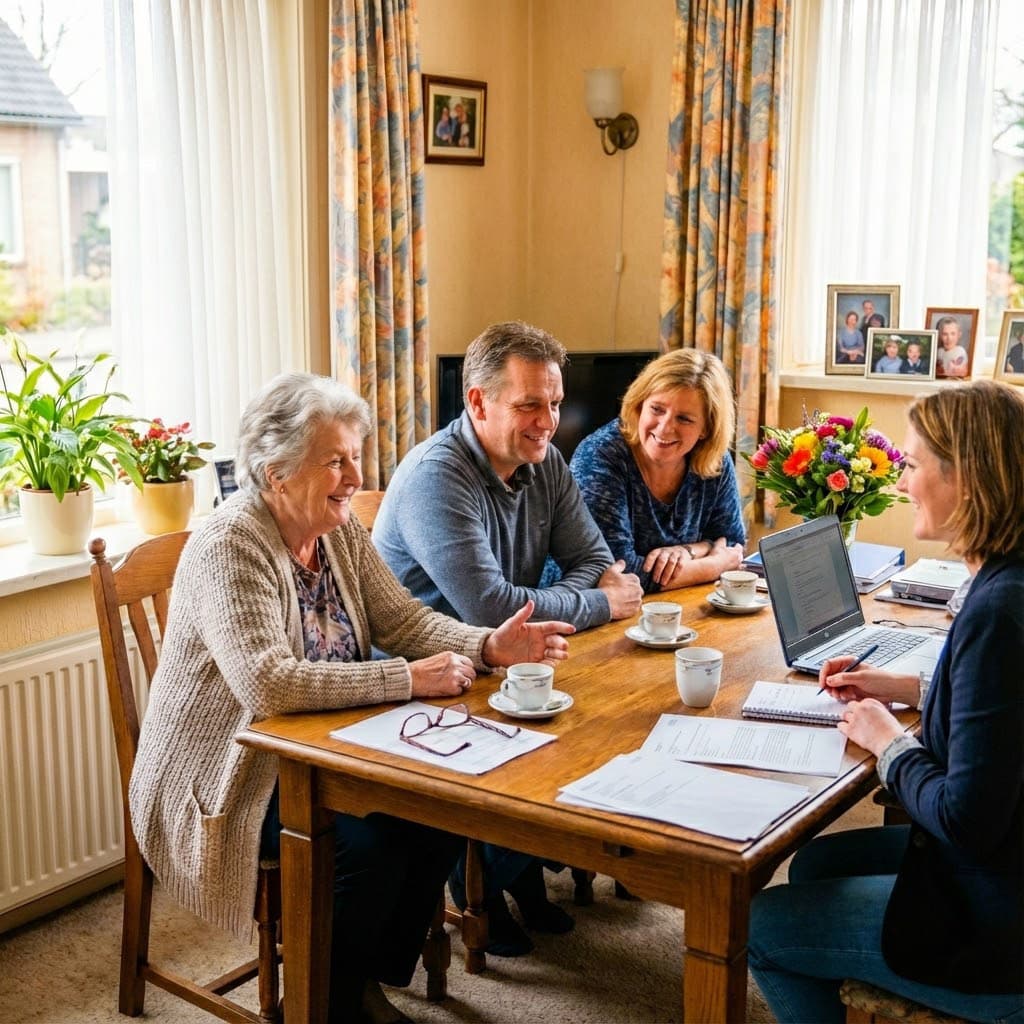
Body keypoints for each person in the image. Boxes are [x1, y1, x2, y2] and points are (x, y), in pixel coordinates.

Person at [129, 372, 573, 1024]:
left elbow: (405, 623)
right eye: (335, 460)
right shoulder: (231, 543)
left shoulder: (337, 529)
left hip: (328, 743)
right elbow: (267, 682)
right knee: (370, 836)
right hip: (226, 771)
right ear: (276, 471)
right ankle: (328, 1001)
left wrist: (488, 647)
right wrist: (405, 679)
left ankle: (357, 977)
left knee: (444, 803)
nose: (354, 476)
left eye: (355, 456)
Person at [749, 379, 1024, 1024]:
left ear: (971, 478)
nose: (902, 482)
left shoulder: (1000, 612)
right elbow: (1006, 709)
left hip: (1000, 929)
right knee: (818, 859)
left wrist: (888, 741)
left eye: (916, 464)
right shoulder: (1007, 583)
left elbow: (965, 820)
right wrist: (903, 689)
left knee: (757, 925)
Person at [374, 320, 643, 957]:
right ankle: (490, 881)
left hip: (506, 659)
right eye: (529, 405)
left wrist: (571, 595)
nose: (548, 421)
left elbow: (592, 555)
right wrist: (600, 600)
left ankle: (515, 871)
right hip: (424, 672)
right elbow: (490, 606)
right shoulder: (438, 477)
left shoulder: (542, 459)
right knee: (561, 729)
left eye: (553, 403)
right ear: (478, 402)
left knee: (605, 711)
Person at [569, 349, 745, 593]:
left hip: (676, 603)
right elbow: (617, 572)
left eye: (684, 418)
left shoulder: (714, 461)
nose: (665, 428)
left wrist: (687, 551)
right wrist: (713, 565)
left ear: (706, 428)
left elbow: (732, 544)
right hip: (588, 610)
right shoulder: (600, 455)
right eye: (657, 409)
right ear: (640, 405)